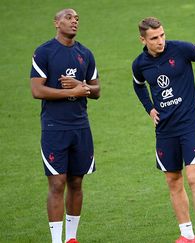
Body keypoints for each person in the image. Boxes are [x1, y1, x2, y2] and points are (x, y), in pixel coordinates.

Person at [132, 17, 195, 243]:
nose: (160, 41)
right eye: (154, 38)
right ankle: (186, 234)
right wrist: (149, 108)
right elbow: (138, 85)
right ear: (143, 39)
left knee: (194, 177)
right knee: (173, 180)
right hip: (165, 130)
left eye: (162, 35)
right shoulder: (139, 64)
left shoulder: (181, 49)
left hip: (190, 125)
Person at [30, 8, 100, 243]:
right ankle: (56, 241)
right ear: (56, 23)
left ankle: (72, 239)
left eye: (77, 19)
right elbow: (37, 90)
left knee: (77, 182)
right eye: (68, 18)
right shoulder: (44, 52)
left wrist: (82, 86)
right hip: (54, 127)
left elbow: (96, 90)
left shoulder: (85, 53)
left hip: (80, 127)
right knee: (57, 182)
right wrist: (72, 91)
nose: (74, 22)